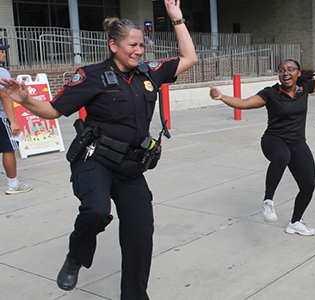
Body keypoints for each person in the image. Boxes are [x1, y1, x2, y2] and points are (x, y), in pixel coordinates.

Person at [0, 1, 197, 297]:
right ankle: (76, 257)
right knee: (95, 210)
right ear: (114, 45)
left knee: (141, 236)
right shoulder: (91, 75)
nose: (139, 51)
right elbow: (53, 110)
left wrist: (176, 18)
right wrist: (24, 99)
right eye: (132, 45)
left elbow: (189, 57)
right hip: (95, 161)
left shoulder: (149, 73)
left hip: (131, 168)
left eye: (142, 45)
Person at [207, 54, 315, 236]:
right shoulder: (271, 93)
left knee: (308, 186)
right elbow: (245, 103)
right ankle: (268, 201)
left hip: (297, 143)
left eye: (290, 69)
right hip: (273, 140)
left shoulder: (304, 88)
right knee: (282, 156)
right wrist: (222, 97)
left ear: (298, 73)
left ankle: (295, 222)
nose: (285, 73)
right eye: (281, 71)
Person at [0, 44, 32, 194]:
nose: (4, 54)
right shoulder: (1, 72)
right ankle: (13, 184)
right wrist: (13, 121)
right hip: (1, 118)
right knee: (8, 149)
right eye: (1, 52)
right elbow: (5, 97)